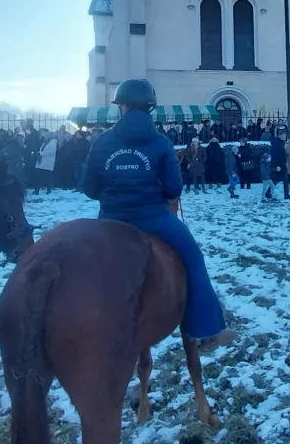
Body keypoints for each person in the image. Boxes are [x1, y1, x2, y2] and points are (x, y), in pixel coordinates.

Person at [83, 78, 232, 347]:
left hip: (110, 221)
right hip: (154, 218)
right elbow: (174, 186)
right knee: (194, 259)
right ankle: (206, 329)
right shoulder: (161, 142)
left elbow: (89, 189)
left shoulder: (101, 141)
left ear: (123, 107)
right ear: (150, 108)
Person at [271, 125, 290, 200]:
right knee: (276, 180)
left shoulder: (280, 142)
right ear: (279, 134)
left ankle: (286, 195)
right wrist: (276, 165)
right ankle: (285, 195)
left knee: (282, 179)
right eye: (283, 134)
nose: (284, 136)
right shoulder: (276, 143)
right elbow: (275, 155)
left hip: (282, 163)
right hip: (279, 164)